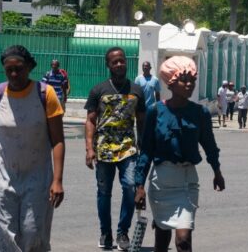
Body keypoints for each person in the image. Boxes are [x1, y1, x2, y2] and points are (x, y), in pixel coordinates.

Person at [0, 45, 65, 251]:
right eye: (9, 70)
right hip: (2, 179)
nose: (14, 74)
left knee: (33, 234)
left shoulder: (46, 94)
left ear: (29, 68)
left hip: (37, 178)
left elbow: (58, 140)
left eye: (19, 69)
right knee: (1, 238)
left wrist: (57, 180)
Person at [134, 56, 225, 252]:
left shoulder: (201, 113)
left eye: (192, 80)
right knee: (161, 241)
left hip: (187, 182)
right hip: (161, 183)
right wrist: (139, 185)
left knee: (183, 240)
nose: (189, 85)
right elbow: (146, 150)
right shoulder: (155, 111)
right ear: (171, 83)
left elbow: (210, 146)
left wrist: (217, 171)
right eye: (184, 80)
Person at [85, 47, 146, 251]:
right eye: (114, 62)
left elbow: (142, 120)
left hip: (128, 147)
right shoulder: (98, 90)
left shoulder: (137, 90)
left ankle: (122, 232)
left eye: (122, 60)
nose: (119, 64)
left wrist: (143, 144)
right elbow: (91, 121)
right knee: (104, 193)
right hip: (103, 149)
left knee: (130, 187)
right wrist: (89, 149)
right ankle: (106, 232)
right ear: (108, 65)